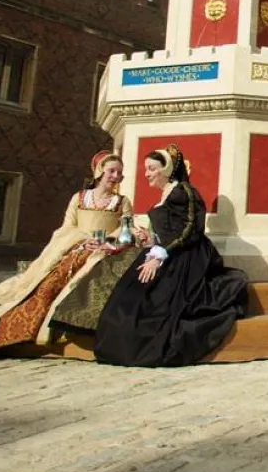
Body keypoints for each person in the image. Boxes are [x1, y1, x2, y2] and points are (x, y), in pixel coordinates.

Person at [0, 151, 136, 361]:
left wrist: (108, 240)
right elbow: (68, 226)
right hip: (75, 247)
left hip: (103, 251)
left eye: (119, 173)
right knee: (46, 285)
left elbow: (126, 227)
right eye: (111, 171)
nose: (115, 176)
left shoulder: (121, 202)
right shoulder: (79, 198)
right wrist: (84, 239)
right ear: (99, 172)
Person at [93, 145, 249, 367]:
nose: (147, 173)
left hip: (184, 254)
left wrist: (160, 254)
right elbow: (166, 230)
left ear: (165, 169)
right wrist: (150, 239)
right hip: (162, 251)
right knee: (129, 300)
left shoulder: (183, 191)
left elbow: (189, 229)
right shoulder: (166, 194)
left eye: (151, 168)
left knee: (160, 305)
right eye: (146, 169)